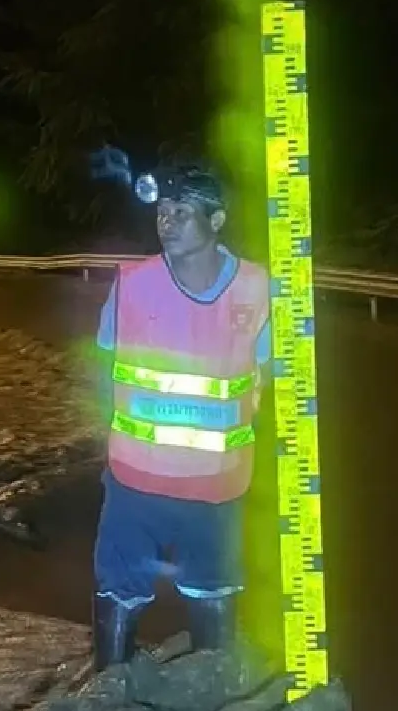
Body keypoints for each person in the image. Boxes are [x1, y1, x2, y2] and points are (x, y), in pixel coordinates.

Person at [91, 164, 271, 668]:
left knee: (212, 589)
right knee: (118, 588)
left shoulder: (259, 290)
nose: (166, 222)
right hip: (134, 482)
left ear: (217, 220)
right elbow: (105, 372)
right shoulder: (131, 285)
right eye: (162, 212)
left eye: (181, 212)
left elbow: (274, 372)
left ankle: (212, 693)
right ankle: (111, 698)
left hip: (216, 488)